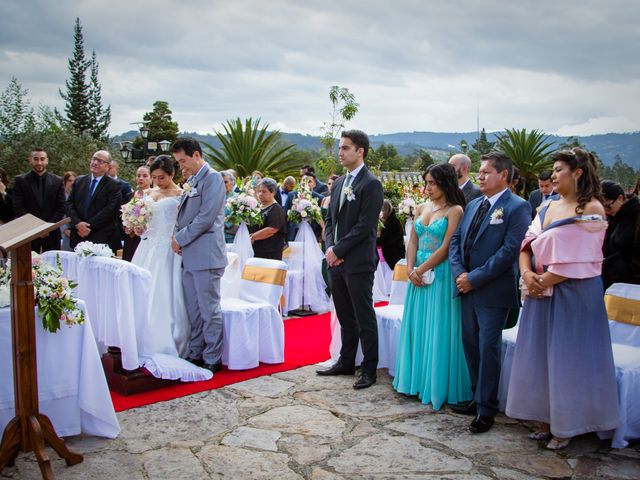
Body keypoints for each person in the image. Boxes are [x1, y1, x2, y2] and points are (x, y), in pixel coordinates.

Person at [506, 148, 620, 450]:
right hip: (539, 291)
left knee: (568, 359)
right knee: (539, 356)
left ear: (577, 172)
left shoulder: (591, 209)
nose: (553, 176)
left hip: (575, 296)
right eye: (553, 170)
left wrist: (545, 279)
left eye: (558, 169)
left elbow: (582, 257)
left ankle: (569, 424)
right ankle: (544, 418)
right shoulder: (547, 206)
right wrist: (527, 274)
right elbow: (527, 244)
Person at [449, 151, 531, 434]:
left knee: (488, 348)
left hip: (492, 290)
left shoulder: (517, 207)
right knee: (470, 344)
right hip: (466, 287)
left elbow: (510, 251)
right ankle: (476, 396)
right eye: (479, 172)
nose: (479, 177)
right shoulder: (473, 204)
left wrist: (475, 278)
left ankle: (487, 408)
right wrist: (460, 274)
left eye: (485, 172)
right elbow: (457, 240)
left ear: (503, 175)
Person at [393, 163, 470, 409]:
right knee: (419, 325)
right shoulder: (422, 207)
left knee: (437, 327)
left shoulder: (455, 210)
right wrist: (410, 266)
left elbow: (447, 248)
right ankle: (415, 380)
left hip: (440, 273)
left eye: (433, 183)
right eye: (426, 182)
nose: (428, 187)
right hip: (417, 273)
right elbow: (412, 240)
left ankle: (435, 384)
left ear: (446, 183)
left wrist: (422, 269)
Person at [317, 129, 384, 390]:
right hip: (336, 261)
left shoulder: (371, 183)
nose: (340, 152)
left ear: (360, 151)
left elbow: (365, 226)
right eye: (340, 147)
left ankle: (369, 368)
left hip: (357, 262)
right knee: (344, 314)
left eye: (345, 148)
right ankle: (346, 361)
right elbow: (330, 219)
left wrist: (339, 251)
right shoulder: (340, 183)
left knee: (363, 315)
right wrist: (330, 247)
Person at [172, 138, 227, 374]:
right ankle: (195, 351)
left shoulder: (213, 178)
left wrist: (180, 238)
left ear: (196, 155)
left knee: (208, 309)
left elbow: (206, 218)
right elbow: (182, 215)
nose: (181, 167)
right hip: (189, 255)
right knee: (193, 310)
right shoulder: (192, 180)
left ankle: (212, 356)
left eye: (183, 161)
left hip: (206, 255)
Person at [131, 156, 190, 356]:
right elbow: (146, 221)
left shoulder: (181, 195)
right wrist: (139, 227)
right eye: (154, 177)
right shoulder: (149, 192)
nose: (157, 181)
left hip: (167, 248)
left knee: (162, 290)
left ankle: (165, 338)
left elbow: (183, 223)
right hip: (147, 245)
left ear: (172, 174)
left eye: (162, 177)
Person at [12, 148, 66, 252]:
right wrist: (37, 228)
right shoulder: (20, 181)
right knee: (28, 266)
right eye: (36, 159)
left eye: (42, 159)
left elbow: (62, 207)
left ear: (47, 160)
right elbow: (18, 207)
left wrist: (47, 227)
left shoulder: (57, 181)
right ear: (30, 160)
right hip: (28, 232)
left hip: (51, 232)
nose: (39, 162)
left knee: (53, 266)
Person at [66, 150, 123, 249]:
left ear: (108, 166)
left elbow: (110, 210)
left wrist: (87, 227)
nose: (95, 163)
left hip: (101, 238)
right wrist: (78, 224)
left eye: (100, 161)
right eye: (94, 159)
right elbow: (70, 204)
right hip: (78, 236)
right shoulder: (79, 181)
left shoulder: (114, 185)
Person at [601, 180, 640, 288]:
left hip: (629, 283)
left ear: (620, 199)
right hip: (609, 279)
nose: (605, 211)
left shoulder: (635, 215)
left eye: (608, 206)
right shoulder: (612, 216)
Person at [249, 178, 288, 260]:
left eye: (264, 191)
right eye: (259, 191)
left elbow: (272, 229)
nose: (260, 194)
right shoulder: (258, 206)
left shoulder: (276, 209)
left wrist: (253, 237)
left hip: (270, 251)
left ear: (273, 192)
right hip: (257, 250)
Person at [122, 166, 152, 261]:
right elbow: (123, 215)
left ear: (151, 178)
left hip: (146, 237)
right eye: (138, 176)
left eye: (145, 176)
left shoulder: (153, 197)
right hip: (131, 237)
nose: (141, 178)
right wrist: (127, 226)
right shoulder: (129, 196)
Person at [285, 174, 324, 241]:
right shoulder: (291, 195)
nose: (305, 182)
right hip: (294, 233)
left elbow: (321, 217)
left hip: (313, 234)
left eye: (309, 181)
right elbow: (285, 215)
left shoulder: (320, 198)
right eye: (303, 180)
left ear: (314, 184)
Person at [376, 199, 405, 270]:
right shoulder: (388, 221)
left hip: (392, 257)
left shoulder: (393, 223)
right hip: (388, 256)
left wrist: (373, 240)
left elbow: (385, 240)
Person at [60, 171, 77, 251]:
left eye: (74, 181)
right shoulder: (61, 195)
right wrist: (64, 229)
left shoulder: (78, 195)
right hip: (65, 230)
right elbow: (59, 214)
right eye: (70, 180)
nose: (72, 183)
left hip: (76, 229)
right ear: (65, 181)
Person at [221, 170, 239, 243]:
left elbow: (237, 217)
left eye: (226, 182)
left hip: (230, 236)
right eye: (221, 182)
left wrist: (223, 224)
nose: (223, 185)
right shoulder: (214, 197)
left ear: (232, 183)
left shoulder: (238, 198)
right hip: (215, 235)